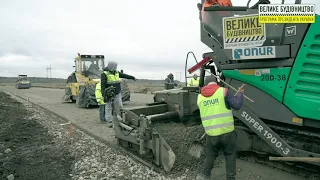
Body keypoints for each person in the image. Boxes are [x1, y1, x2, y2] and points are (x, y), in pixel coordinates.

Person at [196, 76, 244, 180]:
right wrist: (240, 93)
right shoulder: (223, 92)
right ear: (216, 82)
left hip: (211, 134)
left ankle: (204, 176)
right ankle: (230, 178)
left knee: (210, 156)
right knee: (230, 156)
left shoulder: (200, 97)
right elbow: (237, 105)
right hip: (227, 133)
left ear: (205, 84)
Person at [101, 61, 136, 127]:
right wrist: (103, 95)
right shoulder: (104, 74)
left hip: (117, 93)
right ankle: (109, 121)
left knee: (119, 106)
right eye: (115, 66)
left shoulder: (116, 72)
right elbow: (102, 86)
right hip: (109, 94)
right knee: (108, 107)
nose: (116, 67)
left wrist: (132, 77)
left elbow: (125, 75)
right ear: (111, 66)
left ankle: (119, 119)